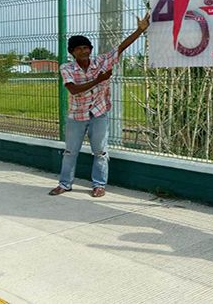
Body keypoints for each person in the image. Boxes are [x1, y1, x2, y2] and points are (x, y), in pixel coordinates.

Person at [49, 13, 150, 198]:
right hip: (77, 116)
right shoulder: (66, 68)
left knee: (100, 152)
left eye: (86, 47)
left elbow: (120, 48)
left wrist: (140, 30)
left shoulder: (101, 62)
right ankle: (64, 184)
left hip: (99, 113)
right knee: (70, 151)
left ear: (91, 48)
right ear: (72, 52)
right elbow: (73, 90)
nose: (83, 51)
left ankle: (99, 185)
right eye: (79, 49)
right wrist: (99, 80)